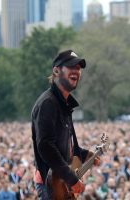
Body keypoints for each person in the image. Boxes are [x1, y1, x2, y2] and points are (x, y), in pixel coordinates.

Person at [31, 49, 100, 199]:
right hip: (52, 183)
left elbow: (66, 147)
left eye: (78, 68)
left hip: (61, 180)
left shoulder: (64, 104)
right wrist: (71, 178)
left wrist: (84, 154)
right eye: (71, 67)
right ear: (56, 71)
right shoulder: (48, 103)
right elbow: (45, 145)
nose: (76, 71)